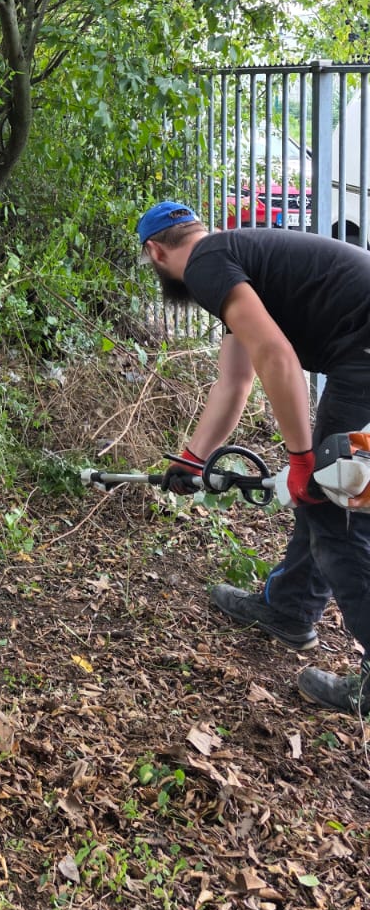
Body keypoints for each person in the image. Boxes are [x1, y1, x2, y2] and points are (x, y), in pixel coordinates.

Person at [137, 198, 370, 717]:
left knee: (334, 507)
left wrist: (303, 457)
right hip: (360, 349)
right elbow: (235, 382)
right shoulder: (231, 261)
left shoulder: (205, 265)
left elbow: (276, 357)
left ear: (155, 252)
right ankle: (289, 609)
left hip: (363, 353)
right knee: (328, 502)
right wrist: (194, 458)